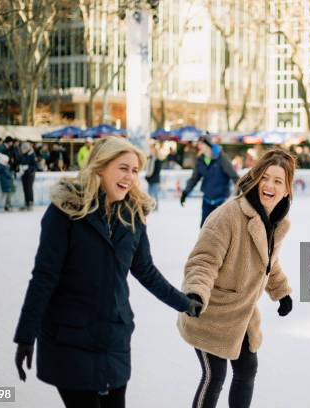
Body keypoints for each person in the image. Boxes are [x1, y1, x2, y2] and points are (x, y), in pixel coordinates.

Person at [13, 137, 202, 408]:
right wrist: (25, 335)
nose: (130, 177)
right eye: (123, 168)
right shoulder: (66, 210)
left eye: (135, 171)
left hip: (113, 336)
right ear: (100, 167)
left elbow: (146, 271)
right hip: (70, 337)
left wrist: (185, 304)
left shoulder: (133, 216)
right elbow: (44, 276)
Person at [178, 149, 295, 408]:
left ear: (287, 189)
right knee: (214, 375)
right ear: (255, 179)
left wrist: (281, 291)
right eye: (265, 178)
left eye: (278, 181)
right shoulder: (228, 216)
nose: (270, 185)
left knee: (247, 369)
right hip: (210, 311)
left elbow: (268, 262)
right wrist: (196, 292)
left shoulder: (276, 222)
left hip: (241, 315)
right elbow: (203, 261)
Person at [180, 135, 239, 227]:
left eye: (201, 144)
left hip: (221, 201)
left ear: (208, 144)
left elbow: (234, 177)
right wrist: (185, 193)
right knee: (204, 229)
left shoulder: (222, 158)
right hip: (207, 200)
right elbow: (194, 179)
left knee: (220, 230)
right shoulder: (201, 160)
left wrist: (240, 193)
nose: (199, 146)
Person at [19, 142, 38, 211]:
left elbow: (35, 166)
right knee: (25, 189)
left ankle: (30, 202)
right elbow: (21, 162)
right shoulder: (24, 155)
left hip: (30, 175)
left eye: (24, 149)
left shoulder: (32, 155)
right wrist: (20, 167)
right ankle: (26, 202)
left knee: (29, 188)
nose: (23, 150)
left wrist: (28, 167)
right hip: (24, 174)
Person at [144, 143, 162, 211]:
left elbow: (157, 171)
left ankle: (156, 207)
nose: (151, 151)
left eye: (152, 150)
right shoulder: (149, 159)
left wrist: (150, 176)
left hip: (155, 179)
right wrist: (147, 176)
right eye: (151, 150)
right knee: (149, 194)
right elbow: (148, 169)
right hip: (150, 179)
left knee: (155, 194)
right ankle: (150, 206)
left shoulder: (157, 160)